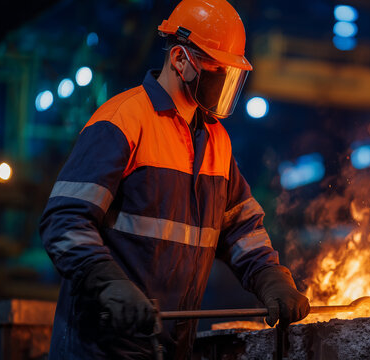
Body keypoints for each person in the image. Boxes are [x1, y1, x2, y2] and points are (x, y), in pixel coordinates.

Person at [39, 0, 310, 358]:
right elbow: (64, 220)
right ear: (180, 59)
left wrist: (271, 278)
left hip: (169, 349)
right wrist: (108, 282)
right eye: (216, 70)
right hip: (99, 348)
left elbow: (241, 229)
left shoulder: (216, 140)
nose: (222, 83)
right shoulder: (123, 121)